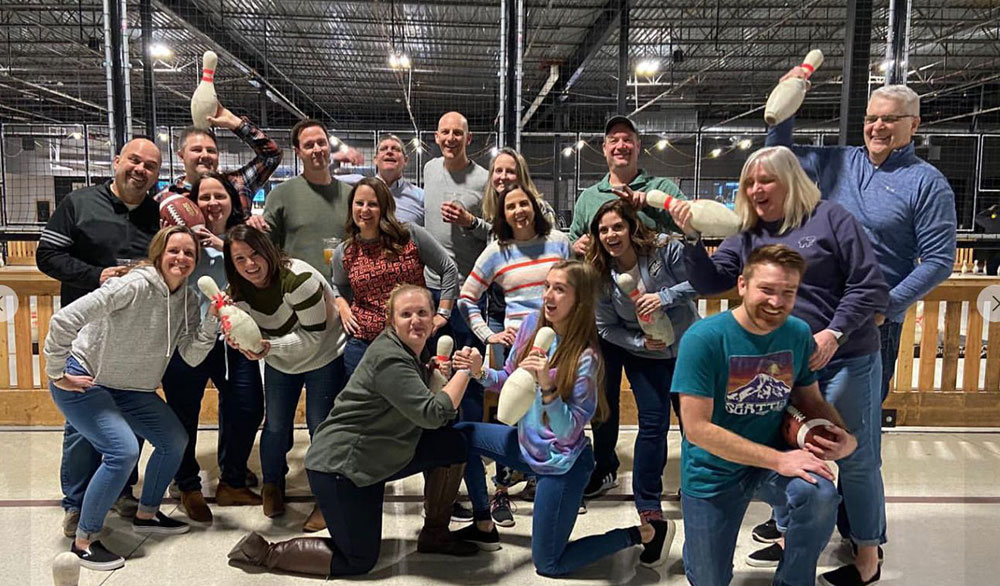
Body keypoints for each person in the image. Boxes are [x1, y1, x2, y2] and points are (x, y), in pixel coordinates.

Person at [670, 146, 889, 585]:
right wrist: (692, 241)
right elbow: (711, 280)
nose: (754, 190)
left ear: (791, 181)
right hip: (779, 359)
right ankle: (790, 529)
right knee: (781, 440)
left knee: (852, 453)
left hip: (843, 353)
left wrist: (832, 333)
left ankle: (867, 552)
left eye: (764, 181)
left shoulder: (831, 218)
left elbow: (870, 286)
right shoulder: (748, 232)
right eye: (749, 182)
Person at [227, 284, 479, 576]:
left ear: (434, 317)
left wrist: (432, 372)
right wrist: (465, 371)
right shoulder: (390, 357)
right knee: (359, 560)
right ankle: (264, 553)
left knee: (452, 444)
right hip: (341, 468)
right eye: (406, 313)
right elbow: (433, 414)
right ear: (391, 320)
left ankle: (435, 534)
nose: (415, 320)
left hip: (374, 459)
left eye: (423, 312)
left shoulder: (407, 351)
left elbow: (430, 410)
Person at [451, 261, 674, 574]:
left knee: (549, 564)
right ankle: (484, 522)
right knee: (459, 435)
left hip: (562, 465)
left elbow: (569, 430)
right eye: (547, 287)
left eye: (559, 289)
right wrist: (479, 371)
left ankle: (644, 533)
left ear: (579, 301)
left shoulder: (587, 357)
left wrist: (548, 387)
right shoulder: (531, 326)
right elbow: (510, 380)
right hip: (524, 445)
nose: (548, 296)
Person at [672, 244, 856, 586]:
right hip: (712, 470)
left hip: (771, 461)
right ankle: (701, 544)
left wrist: (844, 436)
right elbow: (697, 429)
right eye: (766, 290)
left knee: (820, 494)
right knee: (709, 578)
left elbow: (810, 399)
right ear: (742, 285)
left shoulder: (797, 333)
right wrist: (778, 461)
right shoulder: (704, 339)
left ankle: (794, 581)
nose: (776, 302)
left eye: (788, 292)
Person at [766, 81, 957, 407]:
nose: (877, 127)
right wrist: (785, 100)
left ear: (914, 123)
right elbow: (775, 157)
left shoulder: (927, 184)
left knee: (853, 431)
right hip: (812, 313)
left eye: (889, 119)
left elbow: (939, 261)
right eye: (871, 118)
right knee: (790, 420)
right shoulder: (838, 162)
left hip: (870, 325)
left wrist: (884, 306)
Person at [44, 226, 221, 571]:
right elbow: (65, 319)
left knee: (174, 441)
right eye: (174, 251)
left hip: (133, 389)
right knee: (122, 451)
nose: (181, 259)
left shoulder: (186, 299)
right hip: (87, 379)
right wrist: (56, 372)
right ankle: (84, 541)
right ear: (159, 253)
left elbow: (191, 354)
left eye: (189, 254)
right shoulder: (133, 284)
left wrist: (212, 321)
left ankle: (147, 513)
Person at [37, 137, 162, 538]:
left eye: (151, 166)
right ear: (117, 162)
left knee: (130, 419)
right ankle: (75, 504)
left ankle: (122, 492)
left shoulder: (158, 214)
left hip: (132, 340)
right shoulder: (79, 204)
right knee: (81, 427)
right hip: (85, 339)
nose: (140, 170)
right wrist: (97, 276)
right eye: (135, 161)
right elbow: (47, 256)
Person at [456, 182, 570, 526]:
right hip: (520, 342)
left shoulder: (559, 242)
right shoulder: (497, 250)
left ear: (536, 206)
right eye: (510, 207)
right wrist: (488, 334)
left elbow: (578, 285)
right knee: (512, 413)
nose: (519, 211)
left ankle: (547, 484)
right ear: (502, 215)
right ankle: (502, 491)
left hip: (561, 341)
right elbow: (466, 297)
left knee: (552, 413)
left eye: (525, 204)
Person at [223, 225, 346, 532]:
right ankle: (273, 487)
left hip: (323, 355)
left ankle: (326, 498)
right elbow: (241, 331)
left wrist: (267, 347)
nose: (250, 264)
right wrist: (236, 339)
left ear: (268, 251)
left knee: (321, 426)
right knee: (276, 425)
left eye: (255, 254)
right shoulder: (235, 291)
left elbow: (314, 338)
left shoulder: (298, 280)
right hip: (280, 359)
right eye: (240, 259)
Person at [587, 199, 698, 529]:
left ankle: (695, 489)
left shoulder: (665, 250)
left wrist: (664, 297)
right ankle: (647, 502)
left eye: (617, 226)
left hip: (687, 350)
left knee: (693, 424)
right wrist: (639, 342)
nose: (611, 234)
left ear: (631, 227)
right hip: (645, 356)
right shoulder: (601, 275)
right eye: (603, 230)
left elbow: (699, 282)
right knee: (653, 424)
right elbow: (606, 327)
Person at [160, 173, 265, 523]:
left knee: (247, 407)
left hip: (233, 340)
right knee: (183, 415)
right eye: (203, 197)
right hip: (188, 338)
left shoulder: (244, 238)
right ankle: (188, 484)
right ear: (193, 204)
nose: (212, 203)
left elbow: (269, 268)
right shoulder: (179, 240)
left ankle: (232, 478)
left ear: (232, 202)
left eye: (219, 195)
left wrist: (226, 246)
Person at [423, 111, 491, 522]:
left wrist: (470, 221)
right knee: (436, 373)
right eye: (445, 131)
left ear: (470, 137)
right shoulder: (429, 169)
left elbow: (493, 231)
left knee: (471, 376)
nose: (451, 138)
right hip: (432, 289)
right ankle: (439, 450)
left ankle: (472, 454)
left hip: (470, 290)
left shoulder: (483, 180)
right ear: (437, 136)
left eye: (458, 133)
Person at [332, 177, 459, 376]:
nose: (365, 210)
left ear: (384, 207)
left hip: (410, 343)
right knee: (365, 405)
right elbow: (338, 285)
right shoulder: (345, 251)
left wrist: (443, 313)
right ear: (351, 207)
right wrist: (342, 305)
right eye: (359, 203)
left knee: (411, 404)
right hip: (363, 345)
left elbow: (448, 268)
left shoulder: (409, 235)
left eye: (373, 204)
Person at [568, 115, 685, 260]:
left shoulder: (662, 188)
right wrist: (575, 247)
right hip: (601, 280)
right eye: (614, 140)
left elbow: (691, 225)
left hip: (653, 281)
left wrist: (651, 204)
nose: (621, 146)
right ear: (605, 149)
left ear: (638, 146)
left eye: (627, 140)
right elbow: (573, 241)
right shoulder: (588, 198)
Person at [252, 118, 352, 278]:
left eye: (321, 142)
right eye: (309, 145)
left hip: (342, 294)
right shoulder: (281, 195)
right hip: (297, 293)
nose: (317, 149)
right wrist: (254, 226)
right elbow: (265, 246)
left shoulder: (350, 195)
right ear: (297, 152)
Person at [156, 103, 281, 217]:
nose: (205, 155)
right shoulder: (167, 197)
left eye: (211, 150)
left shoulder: (237, 185)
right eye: (197, 150)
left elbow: (271, 156)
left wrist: (236, 124)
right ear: (181, 155)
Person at [335, 134, 426, 225]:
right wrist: (333, 157)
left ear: (405, 160)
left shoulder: (421, 197)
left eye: (395, 149)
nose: (389, 152)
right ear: (375, 160)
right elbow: (324, 180)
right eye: (383, 149)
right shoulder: (355, 185)